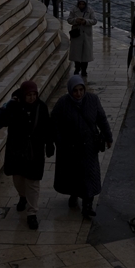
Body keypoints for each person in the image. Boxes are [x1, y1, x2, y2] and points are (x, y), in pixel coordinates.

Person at [50, 75, 113, 218]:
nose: (78, 94)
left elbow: (102, 119)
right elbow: (54, 123)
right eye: (75, 91)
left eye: (81, 90)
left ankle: (87, 205)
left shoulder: (92, 100)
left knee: (89, 174)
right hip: (70, 147)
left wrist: (108, 137)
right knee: (74, 173)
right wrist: (58, 142)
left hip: (89, 146)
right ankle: (74, 193)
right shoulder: (63, 103)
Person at [0, 80, 53, 230]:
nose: (32, 98)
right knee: (18, 179)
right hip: (17, 150)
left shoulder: (41, 107)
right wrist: (8, 106)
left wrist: (49, 143)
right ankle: (22, 196)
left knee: (33, 182)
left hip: (35, 150)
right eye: (29, 95)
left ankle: (32, 213)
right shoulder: (14, 107)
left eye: (34, 94)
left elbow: (47, 126)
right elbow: (1, 121)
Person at [67, 0, 97, 76]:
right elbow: (69, 20)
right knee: (76, 53)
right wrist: (76, 20)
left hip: (86, 35)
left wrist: (85, 22)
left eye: (83, 4)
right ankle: (77, 68)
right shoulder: (74, 10)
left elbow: (94, 21)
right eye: (80, 4)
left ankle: (84, 70)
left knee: (85, 54)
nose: (81, 6)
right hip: (77, 34)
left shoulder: (90, 10)